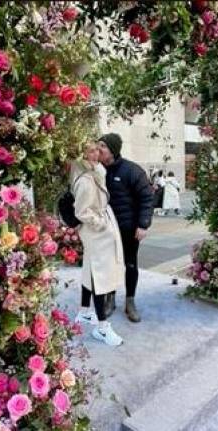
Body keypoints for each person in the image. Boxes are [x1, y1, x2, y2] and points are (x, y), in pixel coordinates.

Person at [71, 141, 125, 346]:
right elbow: (82, 212)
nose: (96, 153)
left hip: (100, 228)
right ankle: (102, 328)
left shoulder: (97, 171)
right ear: (82, 155)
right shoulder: (86, 180)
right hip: (96, 231)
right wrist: (101, 224)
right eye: (90, 150)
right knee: (99, 275)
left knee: (90, 268)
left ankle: (84, 312)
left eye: (97, 149)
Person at [98, 133, 154, 322]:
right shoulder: (97, 171)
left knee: (130, 264)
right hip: (106, 229)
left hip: (128, 229)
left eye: (102, 146)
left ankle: (130, 301)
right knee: (108, 264)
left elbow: (147, 197)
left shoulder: (132, 170)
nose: (99, 149)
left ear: (112, 150)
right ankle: (109, 299)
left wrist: (143, 224)